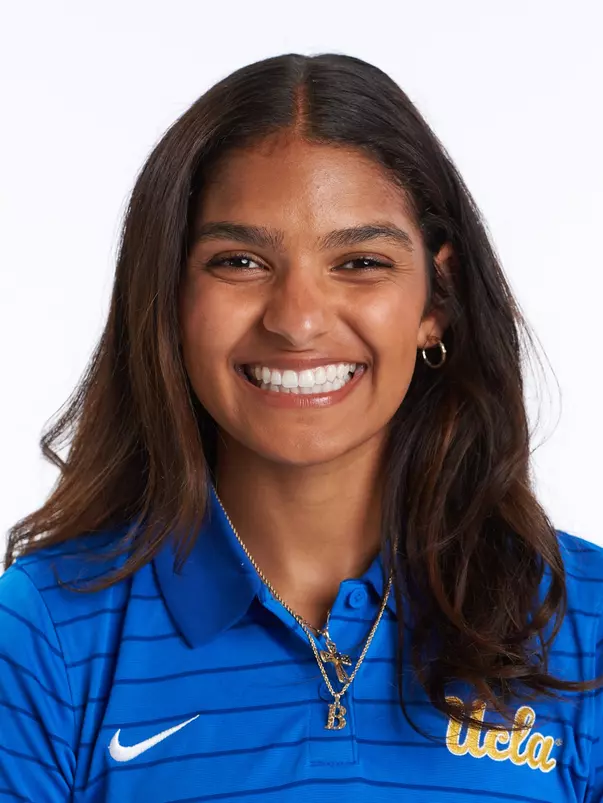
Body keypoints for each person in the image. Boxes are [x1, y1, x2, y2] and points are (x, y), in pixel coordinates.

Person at [1, 52, 602, 803]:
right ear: (168, 297)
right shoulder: (44, 637)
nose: (297, 320)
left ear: (435, 301)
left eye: (358, 260)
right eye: (241, 260)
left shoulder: (584, 619)